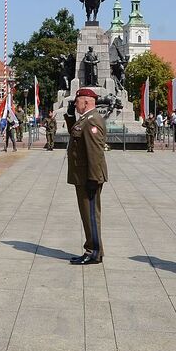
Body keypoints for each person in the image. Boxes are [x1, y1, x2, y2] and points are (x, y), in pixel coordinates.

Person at [64, 88, 108, 265]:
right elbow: (76, 135)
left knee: (91, 215)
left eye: (77, 101)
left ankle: (94, 252)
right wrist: (69, 117)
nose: (75, 104)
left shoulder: (92, 121)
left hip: (88, 177)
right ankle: (92, 248)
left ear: (87, 102)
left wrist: (93, 178)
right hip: (83, 176)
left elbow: (95, 152)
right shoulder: (85, 119)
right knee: (86, 214)